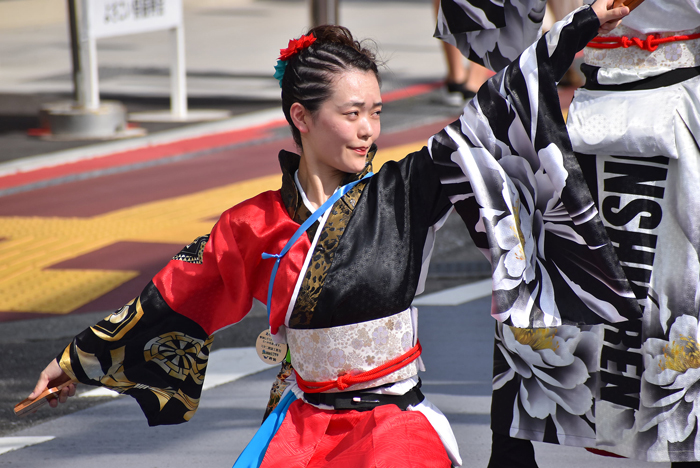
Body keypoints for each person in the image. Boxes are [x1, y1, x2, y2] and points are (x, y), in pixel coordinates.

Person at [28, 2, 631, 466]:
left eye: (375, 112)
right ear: (301, 118)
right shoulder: (251, 223)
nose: (369, 130)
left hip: (394, 429)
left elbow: (497, 105)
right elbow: (169, 300)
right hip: (300, 424)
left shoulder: (405, 188)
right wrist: (74, 361)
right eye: (351, 113)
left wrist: (577, 27)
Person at [439, 0, 700, 466]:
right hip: (587, 92)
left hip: (682, 97)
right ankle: (511, 442)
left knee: (678, 287)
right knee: (540, 263)